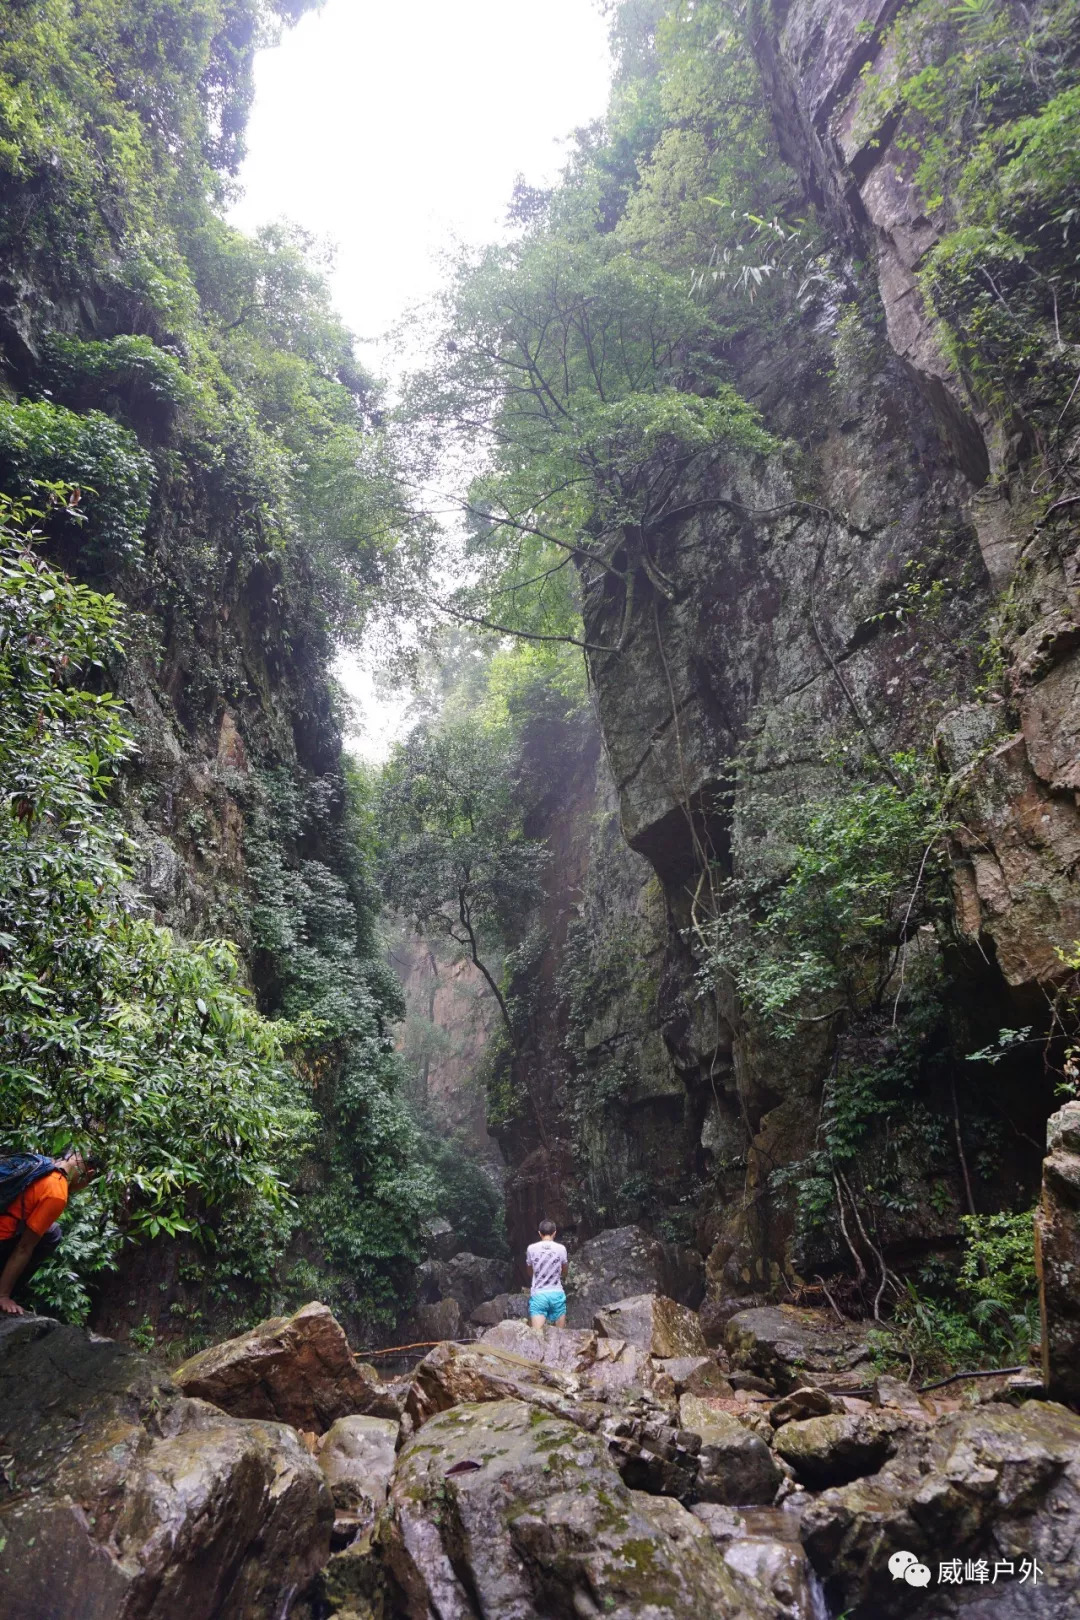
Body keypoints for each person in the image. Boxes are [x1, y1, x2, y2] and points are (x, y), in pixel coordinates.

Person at [0, 1149, 97, 1316]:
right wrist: (3, 1296)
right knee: (52, 1235)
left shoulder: (39, 1162)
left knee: (50, 1230)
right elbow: (24, 1248)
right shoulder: (57, 1192)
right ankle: (4, 1293)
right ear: (89, 1173)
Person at [526, 1218, 568, 1329]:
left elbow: (530, 1270)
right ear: (555, 1233)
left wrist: (536, 1276)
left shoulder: (531, 1249)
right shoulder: (561, 1249)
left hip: (539, 1295)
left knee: (537, 1336)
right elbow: (565, 1270)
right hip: (557, 1294)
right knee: (560, 1336)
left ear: (540, 1233)